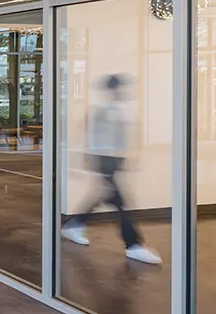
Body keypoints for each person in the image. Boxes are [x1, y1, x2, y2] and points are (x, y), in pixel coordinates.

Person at [61, 74, 162, 265]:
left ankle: (75, 225)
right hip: (104, 162)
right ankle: (133, 245)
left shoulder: (117, 111)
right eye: (117, 89)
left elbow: (120, 139)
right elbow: (94, 141)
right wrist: (102, 168)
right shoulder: (103, 113)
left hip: (112, 162)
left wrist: (125, 161)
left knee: (105, 197)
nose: (121, 92)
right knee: (121, 202)